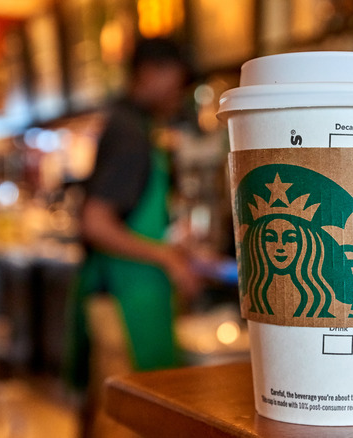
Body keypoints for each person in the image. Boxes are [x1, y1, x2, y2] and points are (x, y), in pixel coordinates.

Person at [64, 37, 203, 437]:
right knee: (124, 422)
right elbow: (95, 221)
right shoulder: (128, 132)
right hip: (122, 306)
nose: (178, 93)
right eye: (176, 81)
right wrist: (167, 257)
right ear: (149, 73)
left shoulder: (132, 126)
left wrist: (172, 247)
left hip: (129, 297)